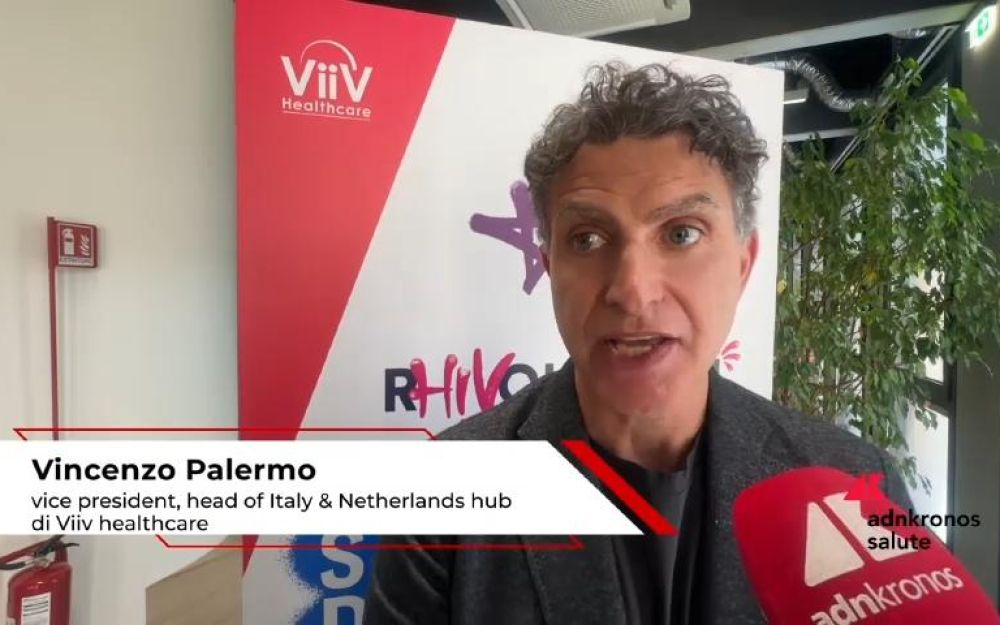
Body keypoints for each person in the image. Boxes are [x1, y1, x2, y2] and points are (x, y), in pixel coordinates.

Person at [363, 61, 913, 625]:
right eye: (588, 238)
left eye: (681, 233)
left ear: (743, 265)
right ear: (550, 267)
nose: (632, 290)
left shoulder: (855, 482)